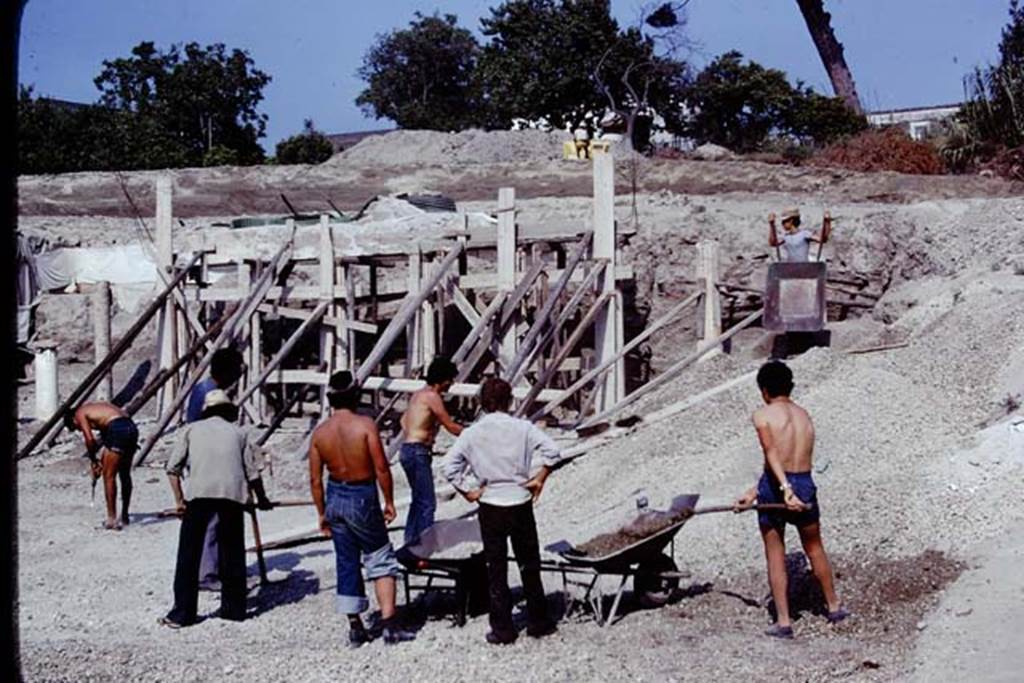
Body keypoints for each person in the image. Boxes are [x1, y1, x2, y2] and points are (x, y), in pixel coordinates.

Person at [442, 377, 562, 645]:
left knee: (495, 568)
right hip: (520, 500)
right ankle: (538, 621)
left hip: (492, 503)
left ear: (482, 403)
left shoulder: (472, 433)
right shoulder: (523, 427)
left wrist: (468, 491)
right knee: (529, 564)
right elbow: (554, 452)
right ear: (510, 400)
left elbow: (448, 467)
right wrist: (541, 476)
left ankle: (503, 628)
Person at [734, 360, 849, 638]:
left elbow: (772, 452)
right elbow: (786, 458)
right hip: (804, 481)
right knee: (814, 546)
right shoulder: (804, 415)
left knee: (776, 554)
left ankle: (784, 622)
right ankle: (834, 607)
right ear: (791, 386)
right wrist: (754, 491)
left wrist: (783, 488)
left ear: (764, 390)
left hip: (778, 487)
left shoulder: (762, 414)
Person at [309, 371, 415, 647]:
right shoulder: (365, 425)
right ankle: (390, 625)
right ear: (355, 396)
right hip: (361, 493)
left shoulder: (320, 433)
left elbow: (314, 480)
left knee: (346, 561)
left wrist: (321, 513)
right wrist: (389, 500)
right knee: (379, 555)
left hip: (335, 495)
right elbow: (381, 467)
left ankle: (356, 627)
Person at [161, 390, 272, 628]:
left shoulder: (190, 430)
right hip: (231, 496)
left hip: (199, 496)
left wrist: (179, 500)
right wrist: (261, 499)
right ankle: (233, 610)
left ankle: (183, 613)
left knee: (189, 556)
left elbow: (173, 469)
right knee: (232, 553)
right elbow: (252, 473)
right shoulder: (239, 433)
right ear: (227, 411)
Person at [183, 347, 245, 591]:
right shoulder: (208, 392)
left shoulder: (209, 389)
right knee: (211, 519)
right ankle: (206, 574)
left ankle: (214, 568)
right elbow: (198, 429)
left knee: (217, 519)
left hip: (210, 458)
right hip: (206, 459)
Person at [398, 356, 463, 545]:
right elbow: (450, 426)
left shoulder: (419, 394)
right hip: (418, 451)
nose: (451, 384)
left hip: (408, 449)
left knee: (418, 500)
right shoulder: (432, 397)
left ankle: (411, 542)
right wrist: (475, 433)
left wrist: (420, 431)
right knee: (427, 502)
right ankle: (424, 546)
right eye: (450, 379)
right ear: (443, 379)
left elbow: (403, 421)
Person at [64, 402, 138, 530]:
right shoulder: (97, 409)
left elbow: (90, 440)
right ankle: (124, 515)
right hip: (131, 427)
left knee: (109, 476)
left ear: (73, 419)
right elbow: (107, 443)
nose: (80, 429)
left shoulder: (80, 413)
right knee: (124, 473)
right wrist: (100, 463)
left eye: (76, 427)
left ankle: (112, 519)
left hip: (118, 428)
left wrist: (93, 460)